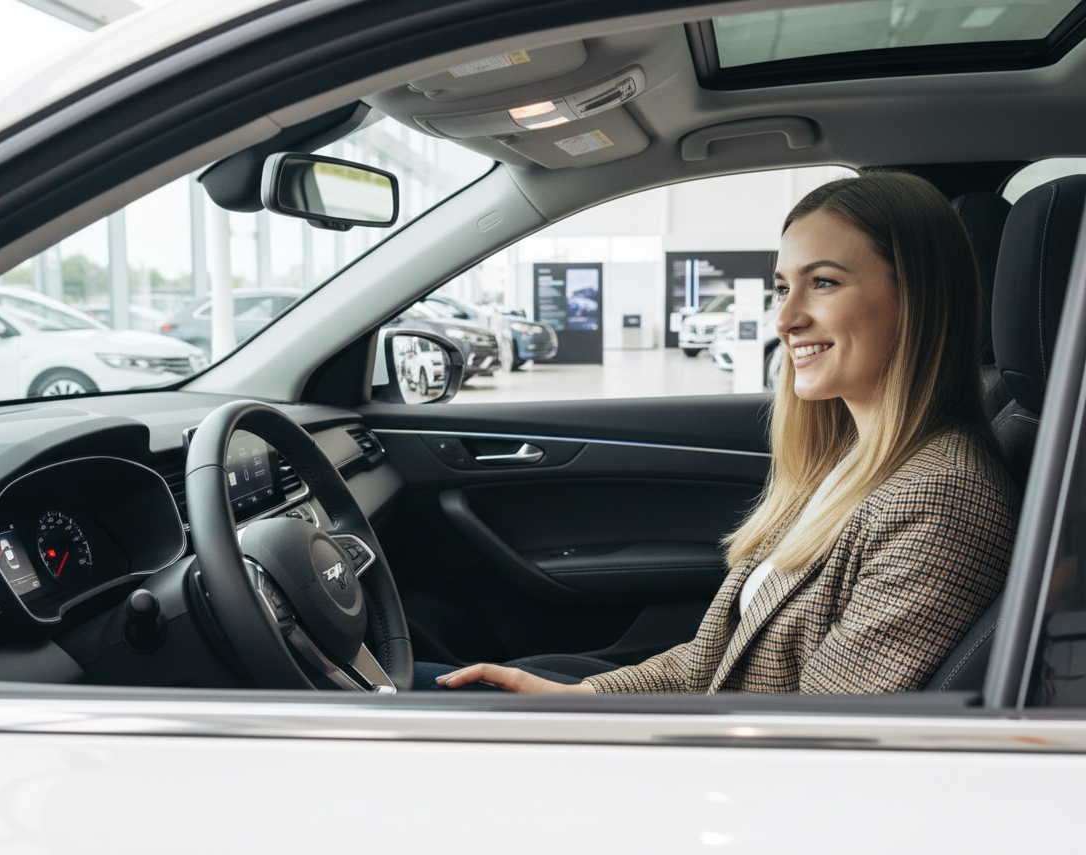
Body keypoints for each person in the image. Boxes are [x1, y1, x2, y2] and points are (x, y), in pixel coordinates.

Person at [425, 170, 1019, 695]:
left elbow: (823, 736)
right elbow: (720, 658)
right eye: (784, 286)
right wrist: (583, 699)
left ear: (916, 297)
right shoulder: (850, 460)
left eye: (826, 282)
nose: (785, 320)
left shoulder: (940, 496)